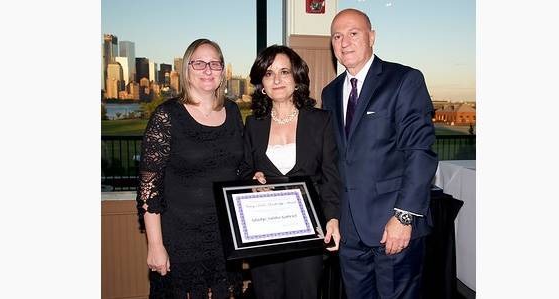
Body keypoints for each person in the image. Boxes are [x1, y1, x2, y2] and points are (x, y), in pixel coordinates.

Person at [320, 9, 438, 298]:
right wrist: (333, 216)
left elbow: (420, 152)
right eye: (337, 36)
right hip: (349, 233)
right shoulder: (330, 93)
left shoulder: (404, 80)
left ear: (372, 37)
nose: (344, 42)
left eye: (353, 33)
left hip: (393, 227)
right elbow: (334, 161)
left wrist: (404, 217)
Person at [137, 38, 247, 299]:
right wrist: (155, 245)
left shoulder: (232, 112)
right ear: (186, 70)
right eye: (199, 63)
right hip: (180, 238)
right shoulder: (167, 115)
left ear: (223, 72)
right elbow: (150, 188)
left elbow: (239, 168)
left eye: (214, 64)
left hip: (223, 237)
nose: (208, 70)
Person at [243, 45, 343, 299]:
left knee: (305, 292)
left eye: (284, 71)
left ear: (297, 79)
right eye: (269, 73)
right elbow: (244, 169)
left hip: (309, 230)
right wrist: (252, 179)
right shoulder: (253, 124)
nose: (277, 79)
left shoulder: (321, 120)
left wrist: (332, 218)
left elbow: (332, 176)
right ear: (261, 84)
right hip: (265, 232)